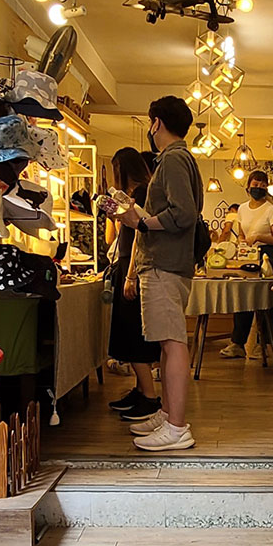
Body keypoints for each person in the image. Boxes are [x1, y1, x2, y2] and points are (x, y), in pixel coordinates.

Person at [114, 96, 202, 452]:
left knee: (172, 343)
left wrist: (143, 222)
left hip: (165, 263)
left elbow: (184, 212)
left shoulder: (174, 159)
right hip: (165, 263)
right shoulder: (175, 159)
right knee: (167, 343)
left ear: (156, 123)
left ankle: (177, 426)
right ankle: (168, 414)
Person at [105, 146, 161, 424]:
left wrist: (130, 275)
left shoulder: (141, 193)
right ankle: (140, 391)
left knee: (132, 334)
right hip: (132, 265)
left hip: (132, 267)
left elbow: (140, 236)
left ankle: (149, 396)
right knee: (132, 332)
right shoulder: (140, 193)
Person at [221, 170, 273, 360]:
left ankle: (265, 344)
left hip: (267, 255)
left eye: (262, 185)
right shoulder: (241, 209)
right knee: (244, 297)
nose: (258, 188)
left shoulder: (271, 209)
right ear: (248, 186)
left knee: (266, 300)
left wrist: (258, 237)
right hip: (247, 255)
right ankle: (238, 343)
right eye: (255, 184)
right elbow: (241, 232)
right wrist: (242, 241)